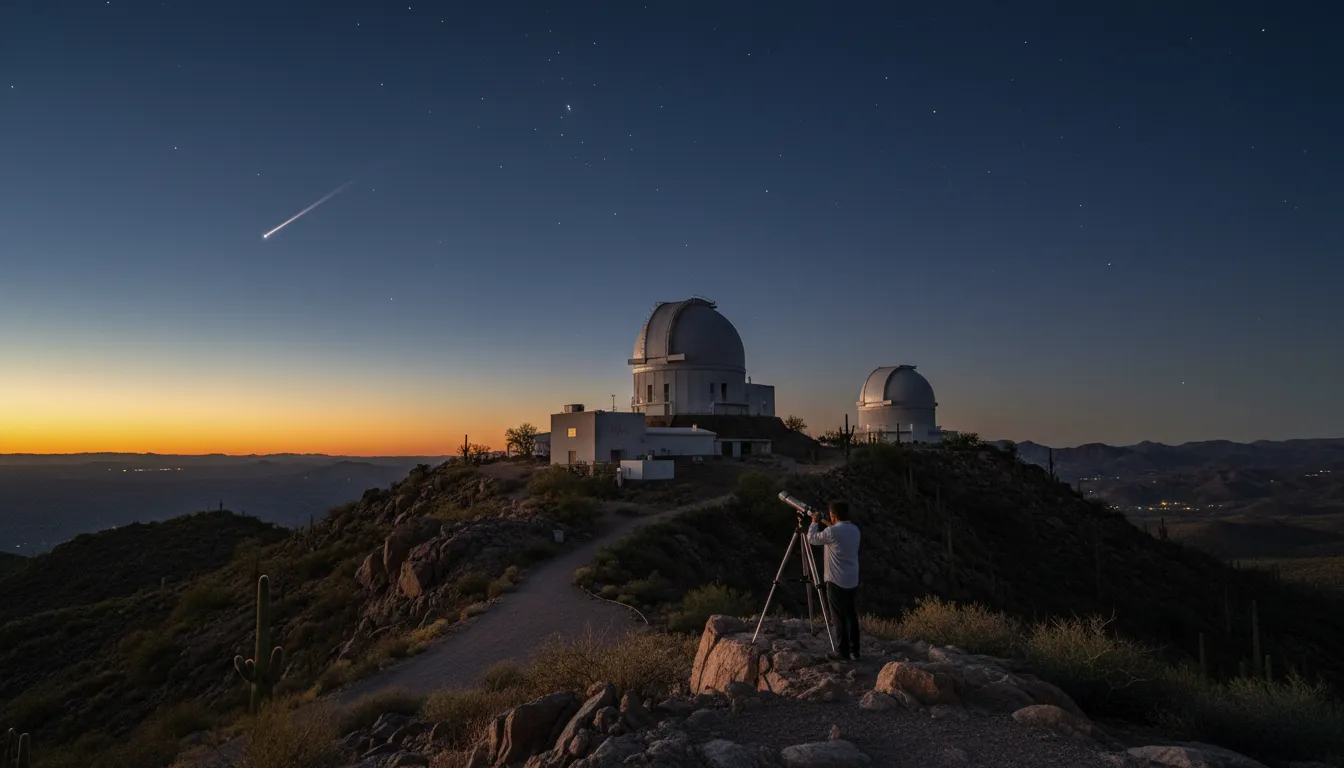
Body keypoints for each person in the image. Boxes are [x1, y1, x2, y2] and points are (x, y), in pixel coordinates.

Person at [807, 500, 861, 661]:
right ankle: (855, 650)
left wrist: (814, 522)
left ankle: (842, 652)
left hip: (836, 579)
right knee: (851, 615)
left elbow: (812, 539)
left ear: (832, 515)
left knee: (839, 617)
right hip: (852, 578)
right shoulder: (855, 529)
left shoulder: (832, 532)